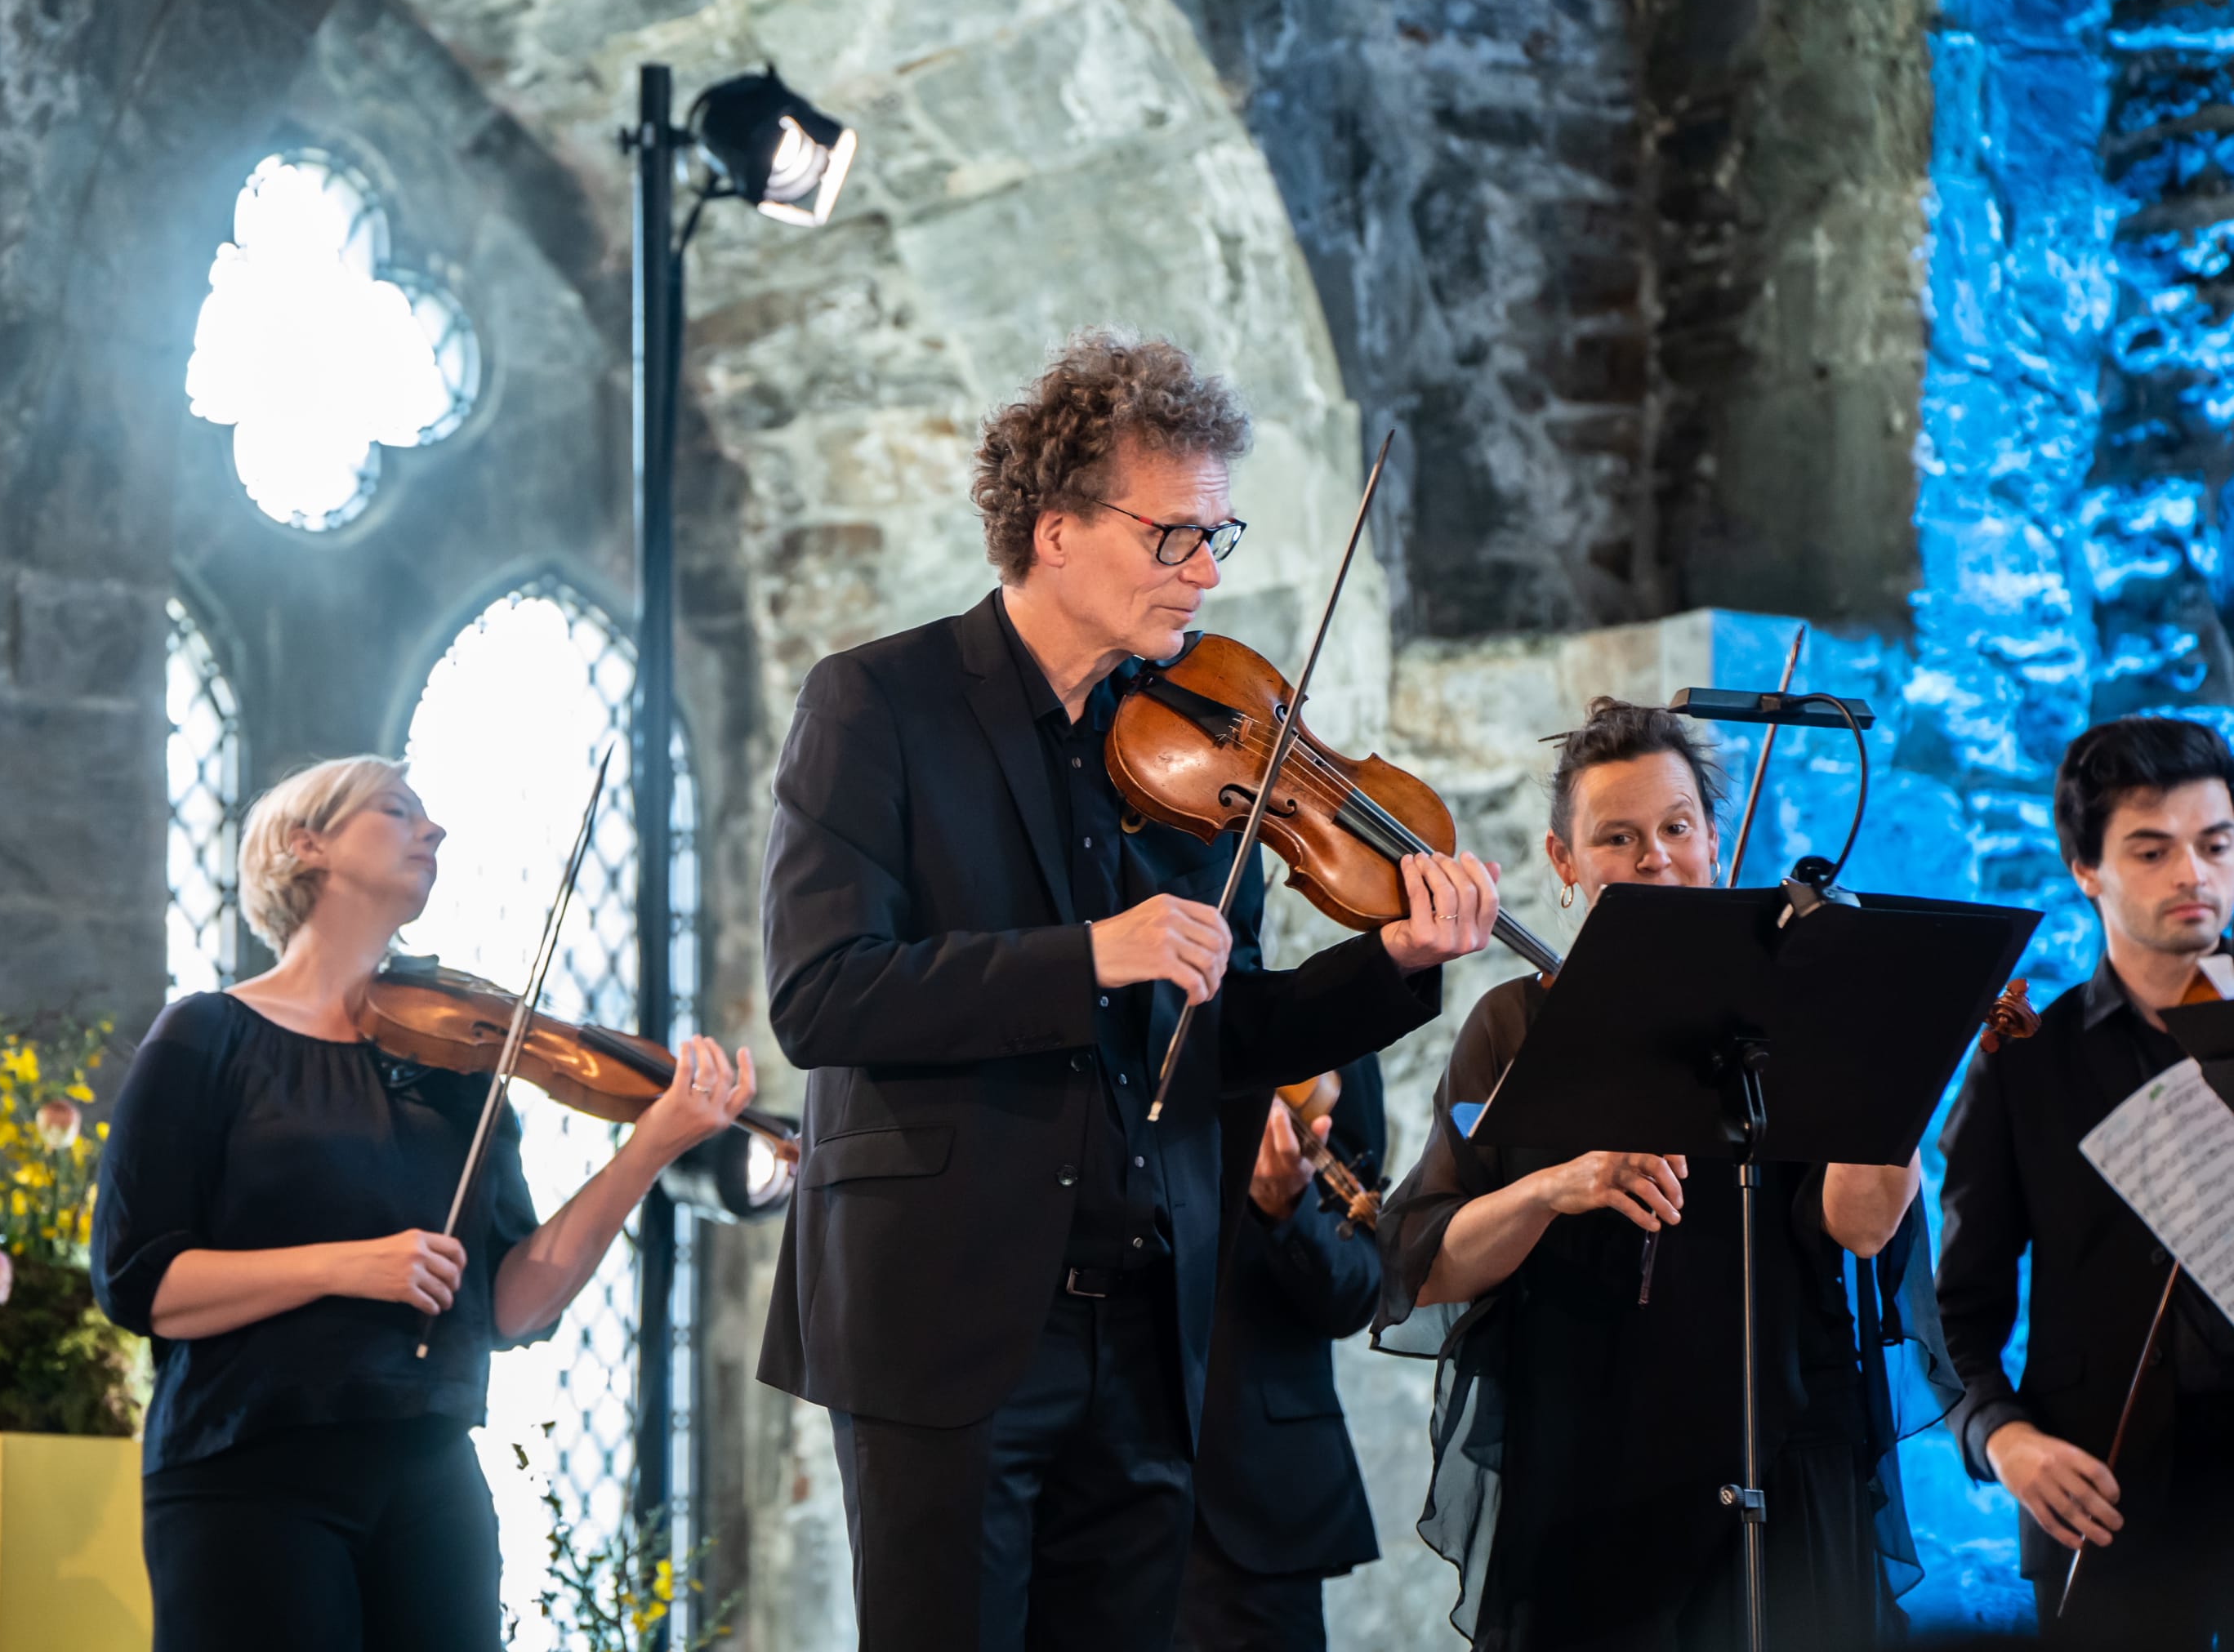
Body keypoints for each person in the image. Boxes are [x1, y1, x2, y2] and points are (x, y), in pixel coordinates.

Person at [756, 329, 1498, 1652]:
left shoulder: (1198, 740)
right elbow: (821, 996)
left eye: (1220, 535)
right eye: (1175, 536)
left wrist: (1390, 964)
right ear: (1053, 531)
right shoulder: (876, 702)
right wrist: (1088, 953)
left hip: (1151, 1327)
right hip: (948, 1319)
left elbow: (1228, 1033)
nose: (1208, 570)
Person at [91, 755, 755, 1652]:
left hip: (431, 1473)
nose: (432, 830)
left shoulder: (459, 1071)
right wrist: (353, 1264)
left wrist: (651, 1145)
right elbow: (142, 1281)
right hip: (246, 1469)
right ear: (306, 844)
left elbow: (515, 1304)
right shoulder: (207, 1034)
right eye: (399, 810)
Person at [1373, 698, 1956, 1652]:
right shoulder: (1513, 1026)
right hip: (1595, 1471)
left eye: (1677, 827)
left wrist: (1893, 1077)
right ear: (1563, 863)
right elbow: (1425, 1263)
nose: (1656, 856)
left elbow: (1860, 1226)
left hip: (1789, 1450)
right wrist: (1552, 1185)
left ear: (1715, 839)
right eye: (1618, 836)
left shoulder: (1796, 1014)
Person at [1937, 716, 2234, 1645]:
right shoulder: (2027, 1061)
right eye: (2152, 850)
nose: (2194, 873)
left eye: (2217, 843)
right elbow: (1954, 1315)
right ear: (2085, 868)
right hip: (2101, 1507)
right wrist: (2002, 1437)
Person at [1175, 1057, 1389, 1652]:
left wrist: (1284, 1209)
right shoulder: (1082, 1008)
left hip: (1243, 1498)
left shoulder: (1325, 1033)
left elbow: (1358, 1286)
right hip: (1073, 1484)